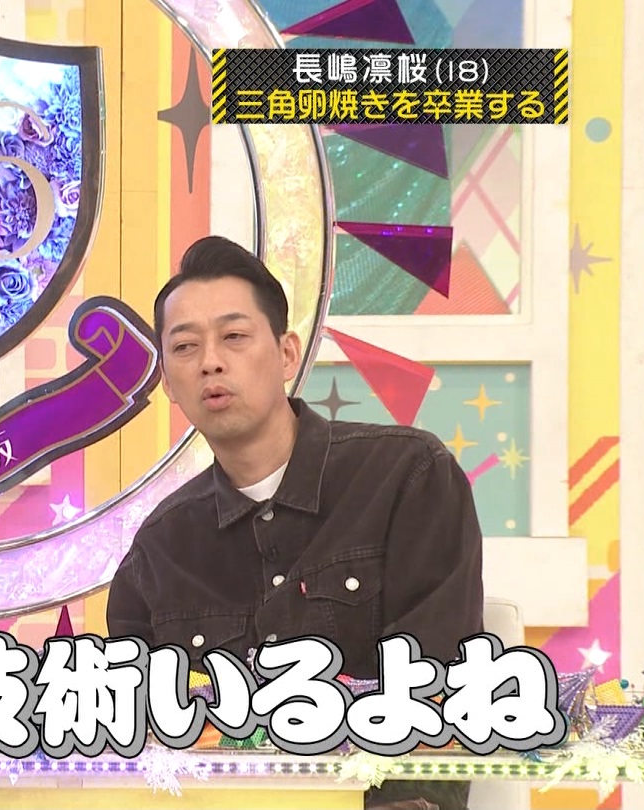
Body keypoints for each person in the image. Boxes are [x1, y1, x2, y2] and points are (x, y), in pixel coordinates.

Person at [106, 236, 483, 810]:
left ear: (286, 354)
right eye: (185, 346)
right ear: (168, 384)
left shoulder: (407, 477)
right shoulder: (158, 553)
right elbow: (143, 751)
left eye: (234, 336)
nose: (210, 361)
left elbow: (436, 709)